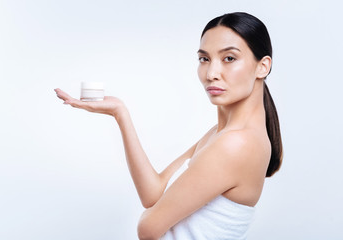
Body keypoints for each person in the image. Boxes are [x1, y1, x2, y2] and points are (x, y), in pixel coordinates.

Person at [55, 12, 282, 240]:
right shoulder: (220, 134)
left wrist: (149, 215)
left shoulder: (236, 143)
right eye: (204, 59)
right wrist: (120, 113)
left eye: (229, 58)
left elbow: (148, 229)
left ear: (262, 66)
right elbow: (153, 195)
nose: (211, 73)